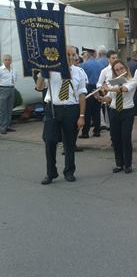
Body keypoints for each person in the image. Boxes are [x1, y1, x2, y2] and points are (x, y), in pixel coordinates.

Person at [36, 45, 87, 185]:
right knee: (50, 140)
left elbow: (82, 95)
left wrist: (81, 116)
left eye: (73, 55)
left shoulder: (79, 72)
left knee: (69, 143)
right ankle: (50, 172)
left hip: (71, 109)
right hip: (53, 108)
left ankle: (69, 171)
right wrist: (42, 72)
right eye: (68, 54)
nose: (71, 57)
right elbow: (39, 87)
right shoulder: (51, 70)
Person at [100, 60, 137, 174]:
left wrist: (109, 88)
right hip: (114, 111)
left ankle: (128, 164)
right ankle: (119, 164)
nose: (120, 71)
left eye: (121, 68)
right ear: (114, 72)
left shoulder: (132, 80)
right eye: (117, 70)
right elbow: (109, 98)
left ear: (126, 68)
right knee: (115, 139)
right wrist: (100, 96)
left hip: (127, 112)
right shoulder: (113, 82)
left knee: (125, 138)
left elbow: (124, 89)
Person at [79, 47, 102, 138]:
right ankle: (97, 131)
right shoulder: (99, 64)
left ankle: (85, 132)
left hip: (88, 88)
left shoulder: (84, 65)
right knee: (97, 111)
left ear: (87, 54)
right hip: (97, 88)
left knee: (87, 112)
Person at [97, 50, 118, 130]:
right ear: (108, 59)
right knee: (112, 120)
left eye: (116, 57)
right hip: (110, 98)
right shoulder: (104, 71)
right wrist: (103, 89)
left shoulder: (121, 69)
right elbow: (98, 84)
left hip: (121, 97)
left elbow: (125, 80)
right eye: (113, 58)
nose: (115, 59)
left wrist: (111, 84)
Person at [0, 54, 17, 134]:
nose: (7, 61)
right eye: (6, 60)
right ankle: (3, 127)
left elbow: (15, 79)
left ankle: (8, 126)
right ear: (3, 61)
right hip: (3, 90)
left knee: (9, 109)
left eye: (9, 60)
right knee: (3, 110)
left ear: (11, 61)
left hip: (11, 89)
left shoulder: (13, 70)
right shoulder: (0, 70)